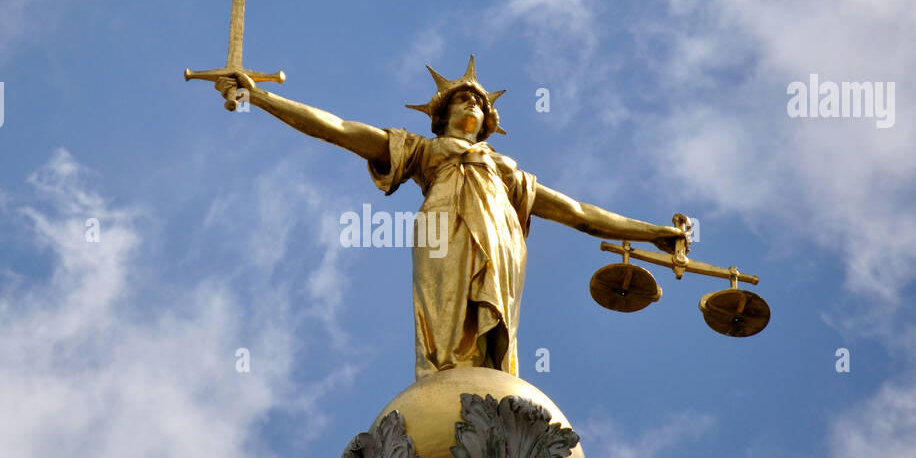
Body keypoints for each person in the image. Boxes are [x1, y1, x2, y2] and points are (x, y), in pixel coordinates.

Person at [207, 57, 687, 379]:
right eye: (463, 100)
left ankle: (489, 379)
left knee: (493, 338)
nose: (473, 106)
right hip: (444, 233)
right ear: (441, 116)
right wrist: (260, 98)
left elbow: (580, 214)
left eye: (479, 102)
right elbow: (337, 129)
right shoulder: (423, 151)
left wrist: (653, 233)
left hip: (501, 243)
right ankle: (445, 378)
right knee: (447, 332)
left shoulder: (508, 173)